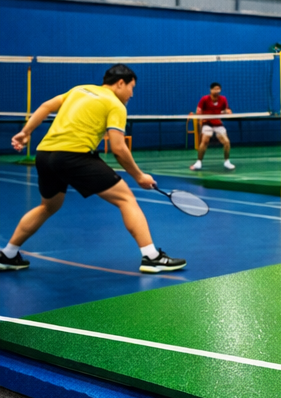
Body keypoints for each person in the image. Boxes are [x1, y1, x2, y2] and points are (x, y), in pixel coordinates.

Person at [0, 64, 186, 274]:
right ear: (120, 83)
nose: (132, 94)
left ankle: (8, 254)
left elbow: (45, 106)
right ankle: (152, 257)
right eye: (132, 88)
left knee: (48, 206)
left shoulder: (79, 89)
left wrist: (26, 132)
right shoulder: (115, 104)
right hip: (74, 155)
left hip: (45, 155)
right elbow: (118, 147)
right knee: (126, 199)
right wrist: (139, 176)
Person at [190, 81, 235, 171]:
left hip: (218, 123)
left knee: (226, 142)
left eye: (218, 89)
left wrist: (228, 112)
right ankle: (199, 162)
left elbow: (227, 110)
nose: (217, 91)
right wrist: (201, 119)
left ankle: (227, 162)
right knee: (205, 140)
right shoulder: (204, 99)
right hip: (207, 123)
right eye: (215, 89)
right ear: (211, 90)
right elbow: (198, 111)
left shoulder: (223, 99)